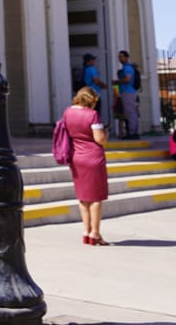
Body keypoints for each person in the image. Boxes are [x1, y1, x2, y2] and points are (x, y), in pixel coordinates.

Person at [63, 86, 110, 245]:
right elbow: (99, 139)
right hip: (93, 158)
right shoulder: (92, 115)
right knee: (96, 197)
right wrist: (106, 134)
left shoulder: (68, 112)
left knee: (83, 197)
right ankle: (95, 233)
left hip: (76, 157)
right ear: (92, 100)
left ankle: (86, 231)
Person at [115, 50, 140, 139]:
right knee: (131, 113)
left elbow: (127, 79)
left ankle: (132, 133)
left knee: (130, 113)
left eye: (121, 56)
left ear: (126, 57)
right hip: (128, 92)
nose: (120, 58)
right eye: (119, 56)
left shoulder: (127, 68)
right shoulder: (126, 68)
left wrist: (116, 82)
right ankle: (133, 132)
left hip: (128, 92)